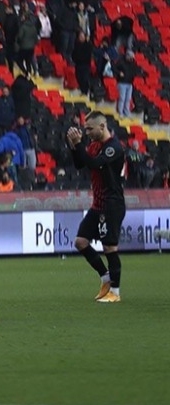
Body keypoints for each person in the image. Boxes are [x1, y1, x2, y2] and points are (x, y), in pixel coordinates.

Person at [67, 112, 126, 303]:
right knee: (80, 242)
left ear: (102, 126)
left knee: (109, 246)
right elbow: (79, 164)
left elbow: (93, 163)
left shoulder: (113, 148)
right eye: (85, 129)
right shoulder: (93, 145)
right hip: (98, 204)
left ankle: (115, 293)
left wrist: (79, 145)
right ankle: (105, 278)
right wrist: (73, 146)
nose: (87, 132)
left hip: (112, 203)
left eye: (90, 129)